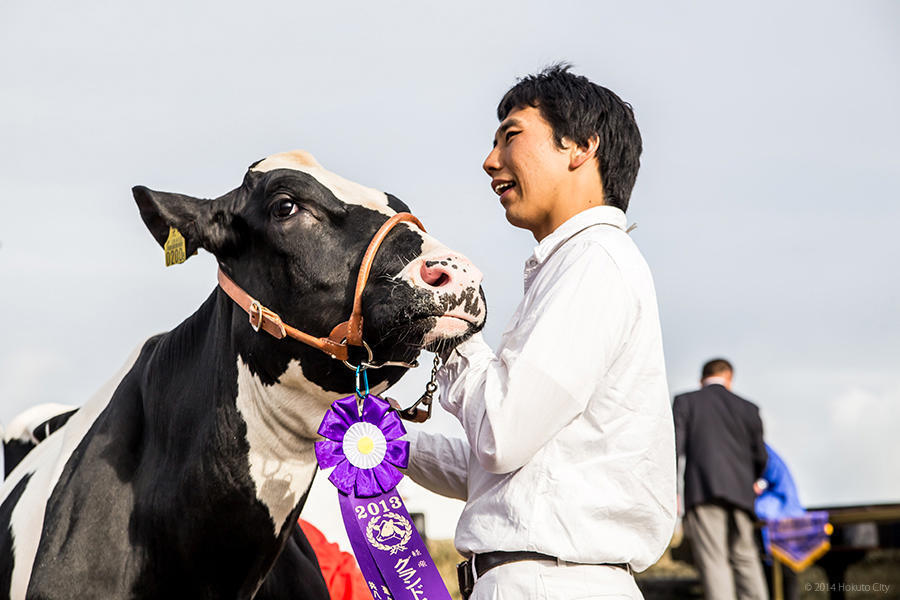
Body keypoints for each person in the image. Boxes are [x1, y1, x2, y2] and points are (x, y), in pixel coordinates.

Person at [404, 64, 676, 599]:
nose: (490, 161)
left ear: (580, 147)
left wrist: (453, 334)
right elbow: (503, 474)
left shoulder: (593, 260)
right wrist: (384, 440)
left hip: (549, 582)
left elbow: (501, 436)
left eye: (511, 136)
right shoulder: (579, 265)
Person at [672, 359, 768, 600]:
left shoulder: (686, 402)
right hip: (743, 494)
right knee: (746, 558)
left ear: (701, 379)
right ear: (729, 377)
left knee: (714, 560)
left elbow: (674, 450)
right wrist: (753, 481)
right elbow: (761, 456)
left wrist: (672, 491)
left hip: (704, 490)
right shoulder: (748, 408)